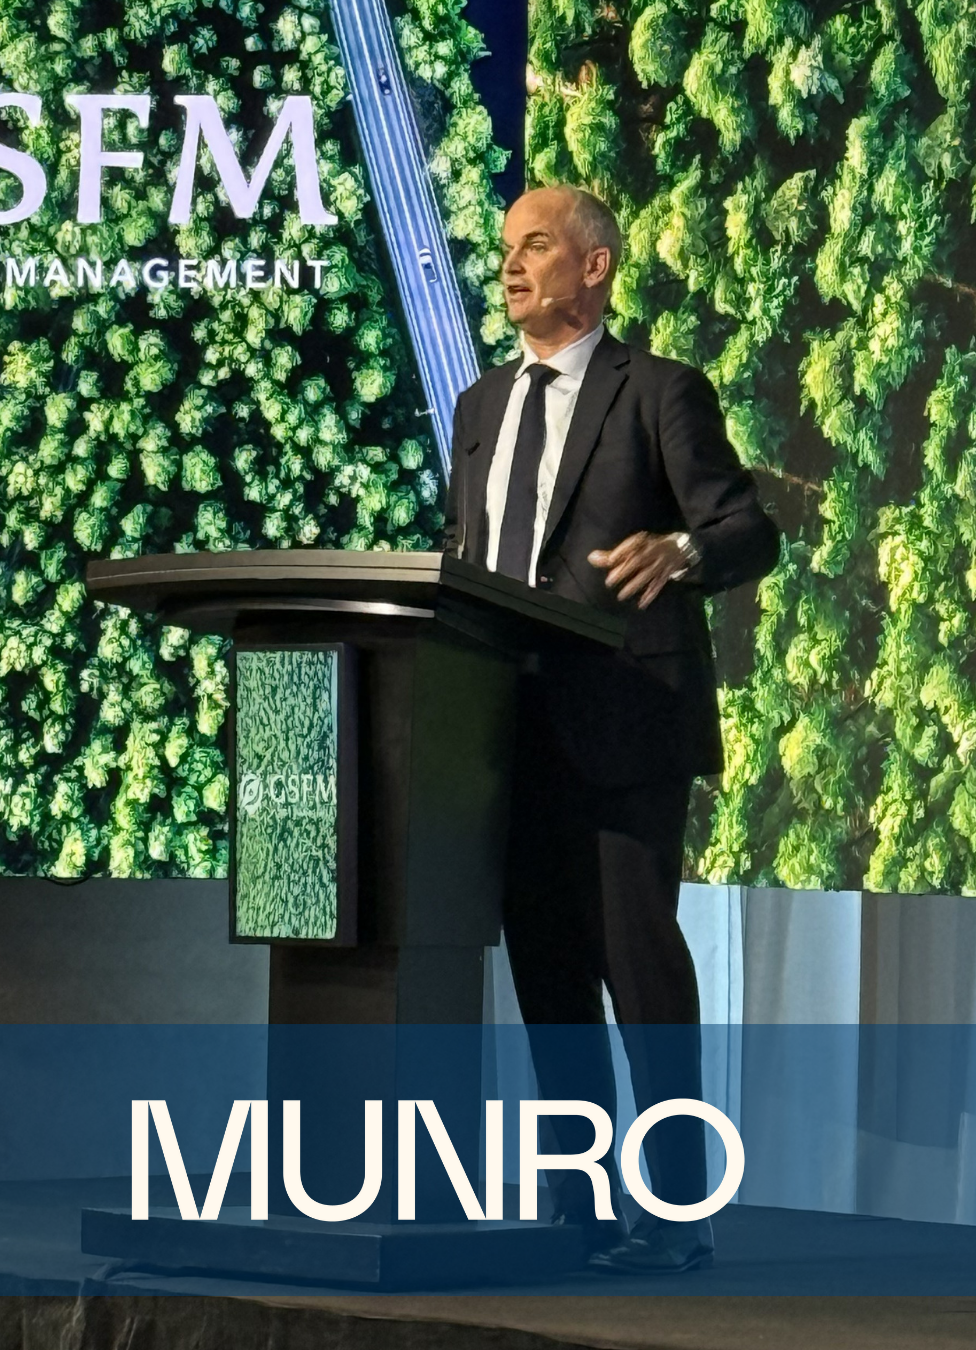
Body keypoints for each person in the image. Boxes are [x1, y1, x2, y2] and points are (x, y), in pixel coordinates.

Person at [442, 185, 780, 1273]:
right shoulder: (480, 406)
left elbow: (747, 528)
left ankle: (678, 1214)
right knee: (547, 977)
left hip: (626, 720)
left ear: (594, 267)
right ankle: (579, 1211)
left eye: (535, 246)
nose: (511, 266)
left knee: (639, 966)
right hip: (505, 726)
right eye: (506, 249)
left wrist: (683, 551)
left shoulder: (660, 391)